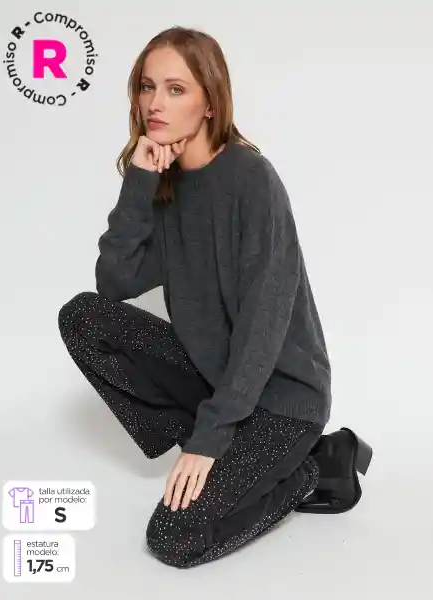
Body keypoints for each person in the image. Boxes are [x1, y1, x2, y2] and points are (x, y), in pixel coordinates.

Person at [57, 26, 373, 568]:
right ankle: (219, 452)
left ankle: (312, 469)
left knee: (173, 538)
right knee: (84, 319)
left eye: (176, 89)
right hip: (217, 380)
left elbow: (263, 325)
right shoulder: (165, 183)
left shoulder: (251, 179)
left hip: (281, 398)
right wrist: (138, 179)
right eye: (147, 87)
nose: (155, 103)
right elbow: (114, 283)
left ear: (209, 102)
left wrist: (211, 437)